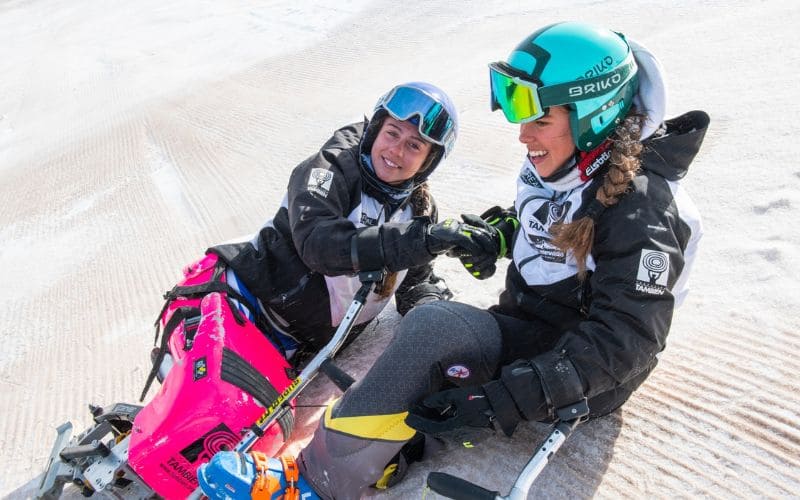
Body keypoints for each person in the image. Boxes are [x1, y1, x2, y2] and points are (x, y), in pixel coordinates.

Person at [197, 22, 709, 500]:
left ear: (593, 113)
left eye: (539, 117)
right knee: (440, 342)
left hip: (581, 368)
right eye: (517, 112)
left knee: (434, 328)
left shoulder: (644, 208)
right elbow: (555, 220)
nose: (522, 132)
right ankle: (388, 450)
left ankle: (311, 482)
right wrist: (501, 233)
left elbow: (629, 339)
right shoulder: (577, 167)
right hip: (536, 330)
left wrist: (507, 396)